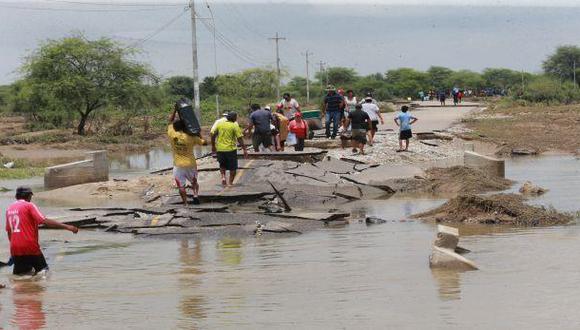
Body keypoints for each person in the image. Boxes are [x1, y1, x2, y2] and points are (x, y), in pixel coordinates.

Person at [5, 187, 78, 276]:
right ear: (29, 196)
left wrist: (15, 248)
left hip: (15, 248)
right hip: (30, 246)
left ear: (16, 196)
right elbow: (43, 221)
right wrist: (67, 227)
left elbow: (9, 232)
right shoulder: (29, 205)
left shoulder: (9, 209)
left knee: (21, 276)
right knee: (44, 272)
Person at [168, 107, 205, 205]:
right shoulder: (191, 137)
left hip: (178, 165)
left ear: (175, 127)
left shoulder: (172, 134)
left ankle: (185, 203)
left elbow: (170, 121)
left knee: (181, 186)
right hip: (190, 164)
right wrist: (198, 132)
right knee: (194, 182)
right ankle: (195, 195)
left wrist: (175, 110)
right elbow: (204, 143)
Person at [211, 112, 248, 186]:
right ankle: (230, 183)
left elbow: (213, 134)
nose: (236, 118)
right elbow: (239, 138)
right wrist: (244, 149)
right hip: (230, 149)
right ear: (234, 118)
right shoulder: (234, 125)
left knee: (222, 165)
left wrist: (213, 146)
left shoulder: (220, 124)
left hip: (220, 149)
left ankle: (223, 177)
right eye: (236, 117)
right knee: (233, 167)